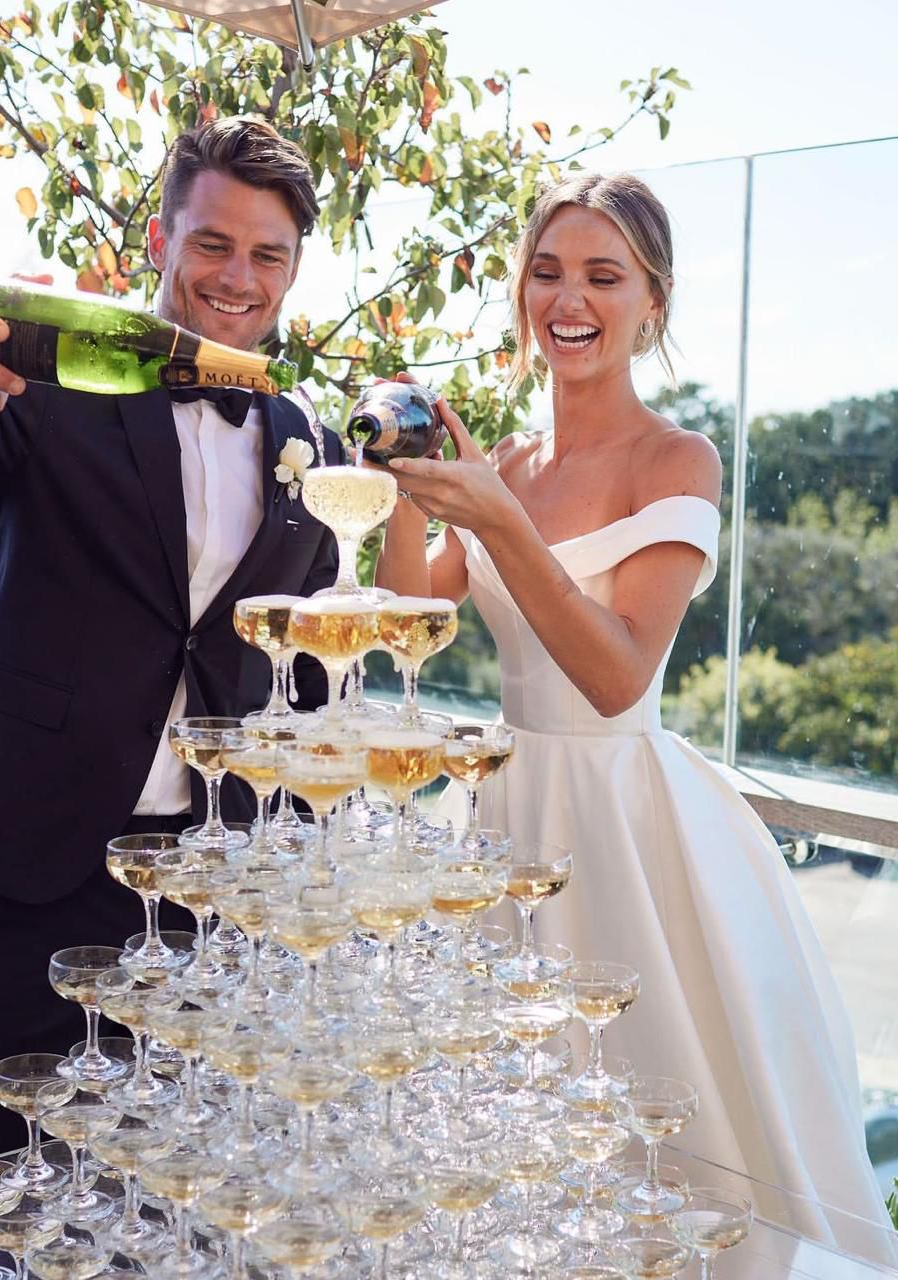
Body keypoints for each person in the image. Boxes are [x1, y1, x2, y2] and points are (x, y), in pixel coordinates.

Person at [375, 173, 892, 1240]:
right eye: (547, 272)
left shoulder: (678, 459)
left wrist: (498, 521)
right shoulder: (506, 461)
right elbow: (404, 621)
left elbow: (614, 675)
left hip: (623, 819)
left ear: (652, 301)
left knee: (649, 1107)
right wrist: (406, 481)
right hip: (503, 816)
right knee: (505, 1118)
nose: (569, 299)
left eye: (603, 276)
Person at [0, 116, 343, 1161]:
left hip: (220, 875)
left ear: (293, 269)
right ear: (162, 240)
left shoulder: (308, 437)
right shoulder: (47, 378)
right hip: (46, 853)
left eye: (267, 254)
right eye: (212, 243)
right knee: (19, 1163)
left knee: (196, 1170)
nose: (238, 276)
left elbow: (303, 664)